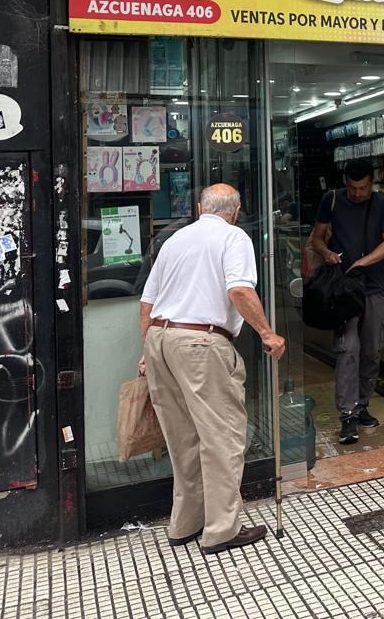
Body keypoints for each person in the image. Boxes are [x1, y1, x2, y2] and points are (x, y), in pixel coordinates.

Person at [138, 184, 287, 554]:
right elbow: (239, 290)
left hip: (160, 340)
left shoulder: (174, 240)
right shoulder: (233, 237)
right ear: (235, 212)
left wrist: (147, 351)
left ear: (199, 207)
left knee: (182, 439)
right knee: (222, 438)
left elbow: (147, 303)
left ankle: (185, 524)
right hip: (200, 344)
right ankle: (221, 530)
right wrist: (267, 333)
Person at [308, 159, 384, 445]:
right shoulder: (332, 200)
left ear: (372, 183)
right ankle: (347, 414)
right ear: (345, 183)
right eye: (352, 188)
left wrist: (363, 262)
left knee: (372, 349)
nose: (357, 193)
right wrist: (326, 253)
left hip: (373, 287)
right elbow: (317, 238)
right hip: (343, 289)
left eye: (363, 188)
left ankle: (362, 405)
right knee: (348, 349)